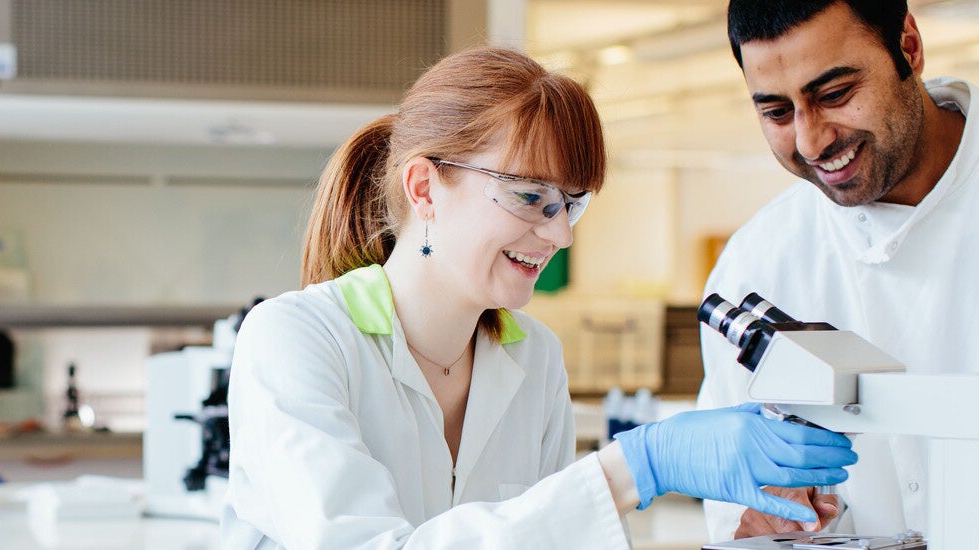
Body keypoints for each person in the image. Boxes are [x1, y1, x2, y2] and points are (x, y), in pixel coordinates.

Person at [220, 46, 857, 549]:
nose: (558, 234)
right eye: (531, 197)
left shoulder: (534, 359)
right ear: (423, 188)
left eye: (572, 204)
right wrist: (635, 467)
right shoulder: (296, 338)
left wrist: (752, 544)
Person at [699, 0, 979, 541]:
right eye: (776, 112)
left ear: (908, 45)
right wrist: (768, 520)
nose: (811, 141)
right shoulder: (758, 263)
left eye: (836, 94)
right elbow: (740, 512)